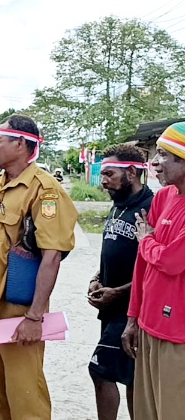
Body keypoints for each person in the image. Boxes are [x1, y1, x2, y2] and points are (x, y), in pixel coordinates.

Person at [0, 114, 78, 419]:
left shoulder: (44, 190)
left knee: (25, 398)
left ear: (21, 144)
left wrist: (35, 317)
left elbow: (52, 256)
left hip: (17, 314)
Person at [122, 122, 185, 420]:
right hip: (148, 323)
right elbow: (144, 264)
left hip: (178, 334)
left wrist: (146, 239)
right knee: (146, 411)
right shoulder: (164, 197)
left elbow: (173, 261)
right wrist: (133, 317)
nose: (155, 163)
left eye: (163, 154)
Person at [87, 145, 153, 420]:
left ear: (133, 172)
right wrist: (97, 279)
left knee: (100, 368)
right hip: (112, 306)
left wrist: (120, 292)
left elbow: (152, 267)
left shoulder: (151, 208)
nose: (103, 181)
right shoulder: (117, 207)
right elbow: (114, 253)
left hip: (133, 309)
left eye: (110, 174)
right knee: (128, 375)